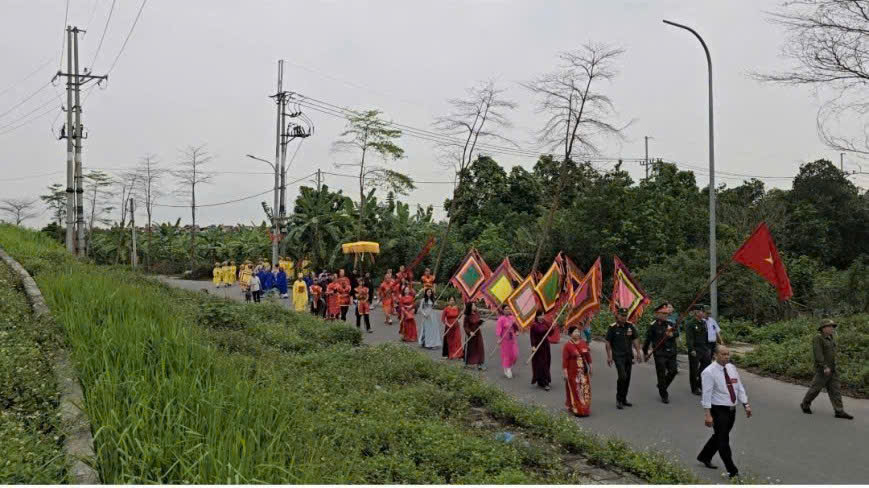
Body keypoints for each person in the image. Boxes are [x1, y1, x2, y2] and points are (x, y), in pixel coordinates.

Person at [698, 346, 752, 479]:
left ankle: (705, 456)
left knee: (720, 435)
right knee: (723, 440)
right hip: (718, 410)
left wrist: (745, 404)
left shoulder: (731, 368)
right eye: (723, 354)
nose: (727, 357)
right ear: (715, 355)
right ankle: (733, 471)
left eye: (728, 354)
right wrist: (708, 415)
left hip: (731, 410)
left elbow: (739, 387)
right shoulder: (708, 372)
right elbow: (706, 394)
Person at [800, 319, 854, 419]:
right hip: (823, 370)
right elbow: (818, 354)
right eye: (830, 326)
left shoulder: (831, 338)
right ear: (823, 328)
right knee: (815, 389)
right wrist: (824, 366)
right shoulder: (818, 338)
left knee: (835, 390)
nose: (832, 328)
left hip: (832, 369)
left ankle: (839, 411)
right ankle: (805, 404)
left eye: (833, 326)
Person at [605, 307, 643, 409]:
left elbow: (635, 339)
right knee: (623, 376)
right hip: (618, 356)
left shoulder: (630, 326)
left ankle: (624, 399)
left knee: (627, 378)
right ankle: (619, 399)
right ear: (617, 315)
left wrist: (638, 352)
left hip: (628, 356)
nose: (624, 317)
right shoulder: (612, 327)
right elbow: (608, 342)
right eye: (622, 315)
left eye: (625, 316)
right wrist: (609, 356)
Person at [644, 303, 679, 404]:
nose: (665, 315)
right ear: (657, 314)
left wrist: (672, 334)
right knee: (661, 374)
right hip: (660, 353)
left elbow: (676, 333)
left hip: (671, 352)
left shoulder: (670, 323)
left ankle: (661, 386)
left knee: (673, 371)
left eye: (666, 313)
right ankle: (664, 394)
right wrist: (645, 353)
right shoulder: (653, 326)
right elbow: (647, 340)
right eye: (663, 313)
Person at [563, 325, 592, 417]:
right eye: (575, 332)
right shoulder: (567, 346)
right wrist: (565, 373)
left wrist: (591, 366)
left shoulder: (583, 343)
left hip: (583, 371)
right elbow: (565, 360)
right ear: (570, 334)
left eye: (578, 332)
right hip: (573, 372)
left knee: (584, 389)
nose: (577, 333)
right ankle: (577, 409)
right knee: (576, 390)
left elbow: (587, 356)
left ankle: (585, 408)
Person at [686, 304, 713, 395]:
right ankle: (694, 388)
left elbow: (706, 336)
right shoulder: (690, 323)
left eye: (703, 311)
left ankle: (700, 383)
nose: (703, 313)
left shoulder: (703, 323)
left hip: (704, 348)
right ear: (696, 312)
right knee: (693, 369)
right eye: (702, 311)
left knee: (707, 366)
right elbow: (689, 338)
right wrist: (691, 349)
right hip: (695, 349)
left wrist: (708, 348)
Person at [529, 309, 552, 390]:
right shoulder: (534, 325)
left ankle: (542, 381)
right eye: (541, 315)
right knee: (541, 364)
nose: (542, 317)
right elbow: (532, 336)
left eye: (543, 315)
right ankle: (544, 383)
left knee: (546, 363)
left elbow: (551, 333)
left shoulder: (545, 323)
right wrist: (533, 346)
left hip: (546, 346)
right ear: (537, 316)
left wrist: (553, 326)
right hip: (538, 347)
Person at [495, 304, 519, 378]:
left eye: (508, 309)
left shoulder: (512, 317)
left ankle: (508, 366)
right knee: (506, 355)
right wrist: (499, 339)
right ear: (502, 310)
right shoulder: (501, 319)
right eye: (505, 309)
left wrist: (516, 331)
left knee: (515, 355)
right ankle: (507, 369)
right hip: (505, 340)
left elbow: (515, 326)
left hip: (513, 339)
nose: (507, 310)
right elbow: (498, 330)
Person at [463, 301, 485, 370]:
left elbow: (477, 322)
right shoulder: (467, 316)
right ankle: (469, 363)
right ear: (470, 307)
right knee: (471, 349)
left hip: (478, 333)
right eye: (473, 305)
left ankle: (480, 363)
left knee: (480, 348)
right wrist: (470, 332)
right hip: (471, 335)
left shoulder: (477, 314)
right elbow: (465, 326)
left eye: (475, 305)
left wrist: (480, 322)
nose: (475, 306)